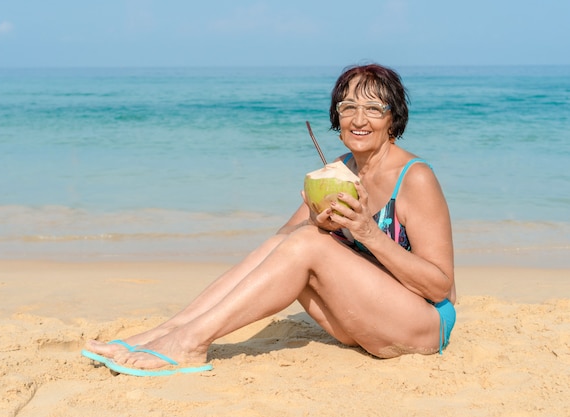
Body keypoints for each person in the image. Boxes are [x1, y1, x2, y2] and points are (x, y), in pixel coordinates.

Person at [82, 63, 456, 376]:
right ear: (336, 116)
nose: (359, 119)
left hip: (421, 326)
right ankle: (169, 330)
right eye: (347, 107)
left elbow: (440, 287)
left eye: (374, 109)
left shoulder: (415, 177)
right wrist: (317, 220)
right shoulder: (339, 170)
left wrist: (367, 233)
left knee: (308, 243)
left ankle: (191, 342)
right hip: (366, 317)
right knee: (294, 239)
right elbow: (282, 244)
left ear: (394, 118)